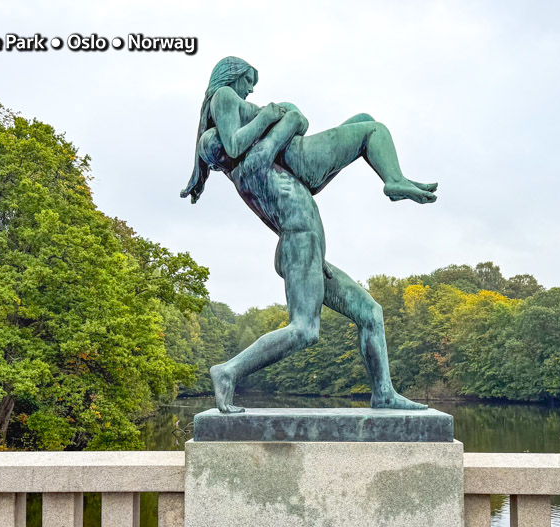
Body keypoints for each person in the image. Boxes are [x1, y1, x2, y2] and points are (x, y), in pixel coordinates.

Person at [181, 57, 436, 413]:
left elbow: (297, 126)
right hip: (300, 244)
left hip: (307, 249)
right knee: (304, 329)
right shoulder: (251, 166)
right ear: (223, 153)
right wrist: (273, 118)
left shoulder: (266, 168)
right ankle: (228, 372)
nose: (250, 97)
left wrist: (318, 260)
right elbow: (288, 125)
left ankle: (383, 393)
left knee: (371, 313)